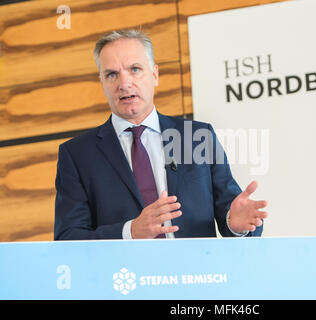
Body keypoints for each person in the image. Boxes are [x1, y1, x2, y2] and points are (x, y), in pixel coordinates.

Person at [54, 29, 268, 240]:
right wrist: (130, 232)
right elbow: (68, 237)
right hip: (123, 273)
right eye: (112, 74)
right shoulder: (76, 155)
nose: (124, 83)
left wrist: (237, 222)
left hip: (194, 273)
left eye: (135, 69)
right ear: (102, 83)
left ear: (155, 75)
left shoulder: (198, 137)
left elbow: (231, 213)